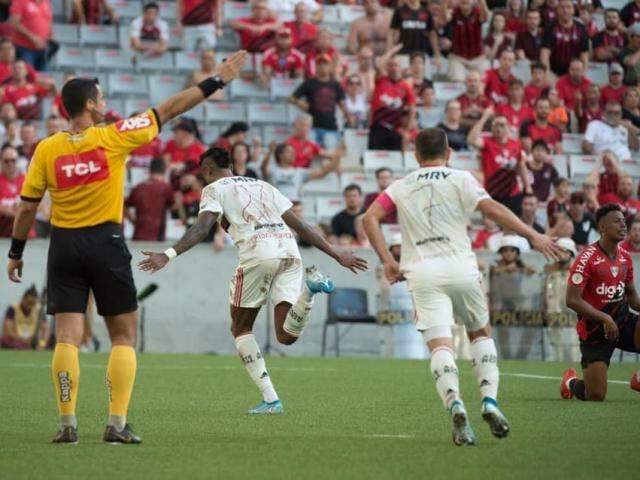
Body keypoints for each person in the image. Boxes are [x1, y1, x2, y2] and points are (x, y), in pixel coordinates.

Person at [6, 49, 248, 444]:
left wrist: (16, 252)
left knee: (66, 336)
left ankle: (67, 423)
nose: (105, 104)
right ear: (89, 105)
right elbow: (169, 109)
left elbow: (27, 207)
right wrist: (216, 79)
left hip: (63, 246)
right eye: (100, 98)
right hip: (106, 242)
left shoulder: (46, 149)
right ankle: (116, 423)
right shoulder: (113, 136)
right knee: (123, 336)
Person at [363, 127, 562, 446]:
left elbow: (369, 218)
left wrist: (388, 260)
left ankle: (455, 402)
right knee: (480, 333)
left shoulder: (400, 186)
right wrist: (532, 235)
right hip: (462, 268)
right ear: (449, 153)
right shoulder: (461, 178)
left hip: (423, 273)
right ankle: (489, 401)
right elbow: (492, 209)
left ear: (415, 156)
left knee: (440, 345)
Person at [139, 147, 367, 414]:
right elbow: (301, 226)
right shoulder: (263, 185)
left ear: (207, 170)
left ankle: (271, 400)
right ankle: (309, 291)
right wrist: (335, 252)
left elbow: (202, 227)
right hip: (290, 251)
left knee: (240, 328)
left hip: (259, 254)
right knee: (285, 335)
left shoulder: (214, 189)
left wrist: (168, 254)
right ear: (233, 167)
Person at [561, 203, 640, 401]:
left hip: (622, 321)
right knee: (595, 395)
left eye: (624, 222)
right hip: (595, 330)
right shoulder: (586, 258)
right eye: (617, 221)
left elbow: (632, 298)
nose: (623, 226)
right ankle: (570, 383)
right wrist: (605, 318)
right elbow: (571, 300)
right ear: (602, 228)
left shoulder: (626, 258)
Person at [468, 108, 528, 215]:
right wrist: (484, 117)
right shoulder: (487, 143)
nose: (498, 128)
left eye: (502, 125)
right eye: (496, 125)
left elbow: (521, 165)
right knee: (494, 228)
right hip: (493, 194)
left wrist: (528, 186)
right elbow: (471, 140)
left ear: (508, 127)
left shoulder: (516, 144)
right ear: (491, 128)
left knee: (514, 228)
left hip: (513, 193)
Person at [289, 54, 349, 149]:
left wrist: (348, 115)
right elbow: (291, 98)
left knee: (330, 151)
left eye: (325, 64)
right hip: (312, 128)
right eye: (319, 64)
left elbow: (342, 103)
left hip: (331, 128)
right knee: (309, 151)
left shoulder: (336, 84)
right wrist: (299, 103)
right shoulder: (309, 83)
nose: (322, 66)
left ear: (330, 66)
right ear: (316, 66)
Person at [261, 141, 341, 202]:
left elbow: (322, 173)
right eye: (289, 152)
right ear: (280, 155)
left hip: (294, 208)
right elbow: (263, 168)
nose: (293, 154)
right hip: (276, 207)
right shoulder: (272, 170)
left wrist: (337, 156)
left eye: (293, 152)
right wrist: (270, 152)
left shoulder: (299, 172)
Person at [368, 55, 416, 150]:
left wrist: (407, 130)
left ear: (400, 68)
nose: (393, 68)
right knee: (374, 159)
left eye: (396, 65)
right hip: (377, 127)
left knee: (395, 160)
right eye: (390, 65)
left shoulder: (406, 87)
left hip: (394, 129)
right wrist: (392, 51)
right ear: (387, 68)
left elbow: (412, 109)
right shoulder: (380, 80)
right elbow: (379, 64)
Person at [125, 158, 175, 241]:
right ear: (165, 171)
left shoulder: (138, 187)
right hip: (157, 237)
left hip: (138, 235)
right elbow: (173, 207)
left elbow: (124, 206)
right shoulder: (165, 188)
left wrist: (133, 220)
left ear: (149, 170)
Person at [540, 0, 589, 77]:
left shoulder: (581, 28)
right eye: (562, 7)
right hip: (553, 73)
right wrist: (547, 75)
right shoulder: (549, 28)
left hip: (575, 73)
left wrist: (583, 74)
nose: (565, 10)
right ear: (557, 10)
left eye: (568, 7)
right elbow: (544, 54)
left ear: (573, 10)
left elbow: (584, 55)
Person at [447, 0, 490, 82]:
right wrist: (445, 3)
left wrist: (482, 2)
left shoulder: (478, 12)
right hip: (458, 57)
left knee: (485, 82)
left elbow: (485, 18)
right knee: (458, 83)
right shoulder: (454, 12)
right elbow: (443, 20)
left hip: (478, 57)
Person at [8, 0, 52, 71]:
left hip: (42, 48)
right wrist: (32, 37)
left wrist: (49, 36)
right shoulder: (20, 1)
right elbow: (14, 22)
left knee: (44, 77)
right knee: (27, 75)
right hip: (24, 48)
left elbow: (48, 20)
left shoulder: (46, 2)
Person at [1, 284, 46, 350]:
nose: (30, 306)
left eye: (33, 304)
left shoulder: (38, 311)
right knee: (5, 339)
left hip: (32, 340)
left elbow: (45, 329)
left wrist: (42, 343)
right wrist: (22, 339)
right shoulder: (13, 309)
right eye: (29, 303)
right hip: (16, 339)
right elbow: (7, 330)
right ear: (23, 299)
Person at [0, 145, 24, 237]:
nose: (10, 163)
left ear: (18, 161)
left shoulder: (27, 181)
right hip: (2, 234)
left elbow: (38, 206)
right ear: (1, 162)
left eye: (13, 160)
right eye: (6, 161)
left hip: (26, 236)